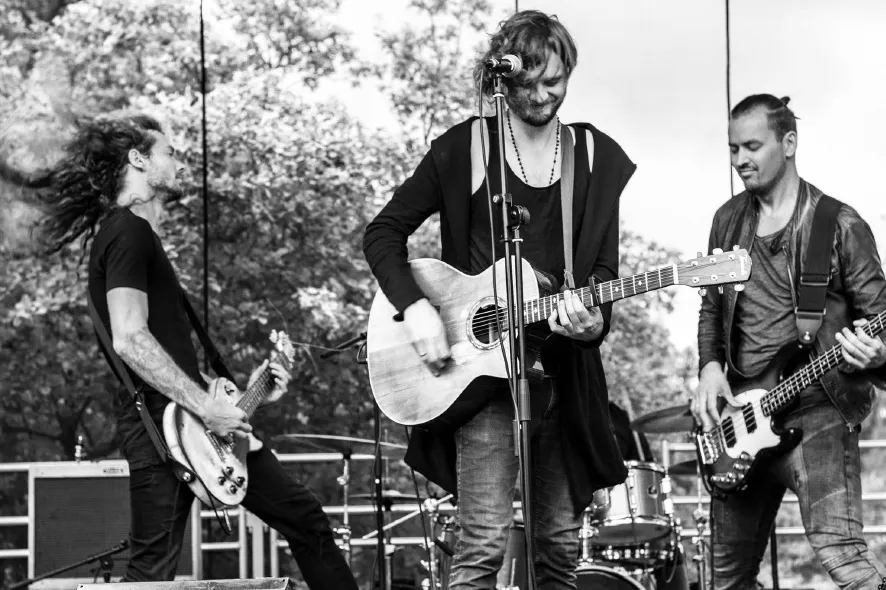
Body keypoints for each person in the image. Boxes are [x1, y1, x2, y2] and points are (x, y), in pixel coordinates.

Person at [363, 10, 636, 589]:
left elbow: (605, 273)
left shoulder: (593, 156)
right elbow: (382, 233)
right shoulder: (464, 147)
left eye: (553, 81)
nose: (540, 96)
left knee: (559, 548)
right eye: (526, 83)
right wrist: (416, 307)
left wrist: (592, 325)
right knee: (482, 544)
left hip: (562, 376)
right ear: (502, 79)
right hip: (479, 375)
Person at [38, 114, 358, 589]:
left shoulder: (135, 235)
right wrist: (207, 408)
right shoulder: (127, 231)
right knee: (151, 575)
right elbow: (129, 337)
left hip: (192, 424)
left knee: (305, 518)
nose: (180, 163)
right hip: (161, 428)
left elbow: (165, 353)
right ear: (138, 159)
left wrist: (247, 393)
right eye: (169, 153)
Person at [692, 94, 886, 589]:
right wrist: (709, 368)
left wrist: (878, 354)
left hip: (819, 409)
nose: (740, 159)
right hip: (741, 417)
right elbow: (712, 308)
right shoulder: (727, 220)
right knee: (724, 576)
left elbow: (880, 318)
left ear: (789, 143)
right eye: (733, 148)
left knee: (845, 560)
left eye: (752, 146)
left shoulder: (839, 223)